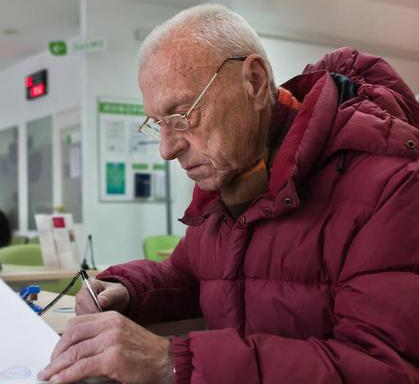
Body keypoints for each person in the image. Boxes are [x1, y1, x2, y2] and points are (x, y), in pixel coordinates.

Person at [38, 4, 419, 384]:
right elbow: (188, 275)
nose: (166, 150)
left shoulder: (392, 187)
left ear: (253, 81)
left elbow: (383, 368)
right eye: (158, 124)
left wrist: (173, 362)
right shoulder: (232, 181)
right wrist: (128, 289)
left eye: (182, 112)